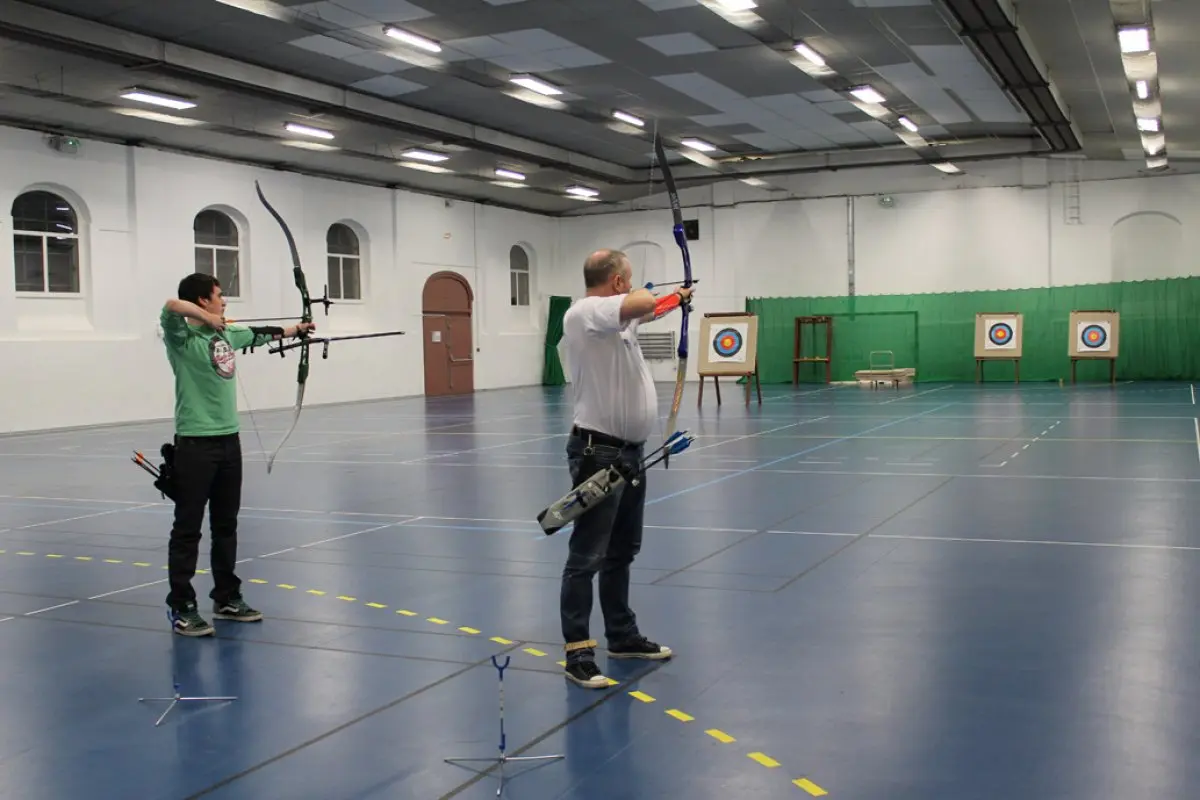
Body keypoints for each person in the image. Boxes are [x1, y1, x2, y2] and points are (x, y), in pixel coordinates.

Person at [558, 249, 694, 688]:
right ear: (617, 282)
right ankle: (578, 652)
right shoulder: (586, 313)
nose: (632, 286)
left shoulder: (615, 321)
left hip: (630, 454)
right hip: (598, 454)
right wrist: (662, 296)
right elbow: (640, 305)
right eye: (628, 279)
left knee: (621, 552)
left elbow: (646, 312)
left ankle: (622, 635)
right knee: (587, 556)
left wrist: (679, 299)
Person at [159, 272, 314, 636]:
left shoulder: (228, 333)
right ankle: (182, 606)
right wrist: (207, 321)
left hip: (230, 443)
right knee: (187, 530)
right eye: (218, 295)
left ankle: (227, 597)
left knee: (225, 525)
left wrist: (297, 328)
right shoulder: (181, 337)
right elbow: (170, 306)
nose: (224, 300)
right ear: (202, 301)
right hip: (195, 444)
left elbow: (262, 333)